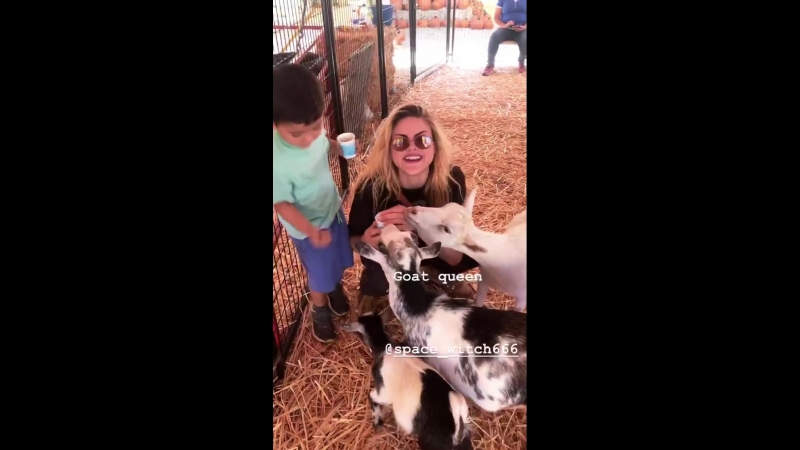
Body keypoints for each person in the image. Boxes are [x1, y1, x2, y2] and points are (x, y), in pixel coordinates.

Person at [347, 104, 480, 319]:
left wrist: (419, 227)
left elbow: (456, 253)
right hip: (391, 263)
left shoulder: (452, 180)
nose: (412, 148)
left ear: (435, 146)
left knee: (463, 254)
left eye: (422, 140)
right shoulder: (371, 187)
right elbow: (352, 239)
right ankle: (375, 287)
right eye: (400, 142)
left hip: (437, 256)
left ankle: (434, 274)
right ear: (389, 149)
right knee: (378, 276)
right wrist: (366, 242)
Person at [273, 63, 354, 344]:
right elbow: (282, 205)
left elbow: (321, 143)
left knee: (339, 258)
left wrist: (336, 148)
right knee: (318, 274)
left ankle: (335, 288)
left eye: (316, 126)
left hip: (331, 209)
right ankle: (319, 308)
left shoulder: (311, 130)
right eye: (297, 134)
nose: (309, 138)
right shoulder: (277, 161)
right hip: (309, 229)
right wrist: (309, 230)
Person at [483, 0, 527, 76]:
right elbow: (496, 18)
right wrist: (504, 25)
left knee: (525, 39)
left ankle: (521, 61)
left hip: (522, 29)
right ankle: (490, 64)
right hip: (506, 29)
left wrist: (525, 27)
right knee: (494, 36)